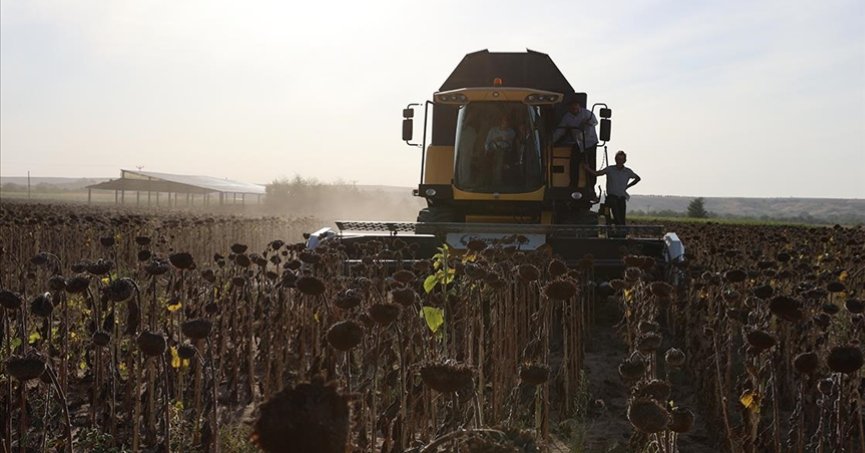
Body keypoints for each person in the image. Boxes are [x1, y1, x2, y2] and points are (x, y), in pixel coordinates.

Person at [584, 150, 640, 225]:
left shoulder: (628, 171)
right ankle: (613, 226)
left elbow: (637, 178)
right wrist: (587, 169)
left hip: (621, 198)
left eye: (621, 159)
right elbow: (597, 173)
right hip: (611, 198)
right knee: (612, 212)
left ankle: (621, 232)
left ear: (624, 161)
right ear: (615, 159)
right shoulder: (609, 169)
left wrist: (627, 186)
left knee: (621, 218)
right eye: (618, 159)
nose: (619, 161)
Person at [552, 98, 598, 189]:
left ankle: (590, 187)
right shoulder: (567, 117)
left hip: (590, 143)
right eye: (572, 106)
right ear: (569, 107)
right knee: (573, 164)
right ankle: (573, 185)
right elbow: (560, 130)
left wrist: (587, 123)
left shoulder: (587, 113)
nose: (574, 107)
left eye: (576, 105)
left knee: (590, 166)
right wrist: (551, 141)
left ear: (579, 106)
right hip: (578, 143)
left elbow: (595, 122)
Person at [484, 114, 516, 185]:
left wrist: (500, 139)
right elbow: (487, 141)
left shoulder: (511, 131)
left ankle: (498, 182)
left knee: (499, 158)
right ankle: (492, 181)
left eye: (507, 121)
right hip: (493, 151)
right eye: (504, 121)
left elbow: (507, 138)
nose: (505, 123)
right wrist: (486, 151)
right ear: (500, 122)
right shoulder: (493, 130)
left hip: (506, 152)